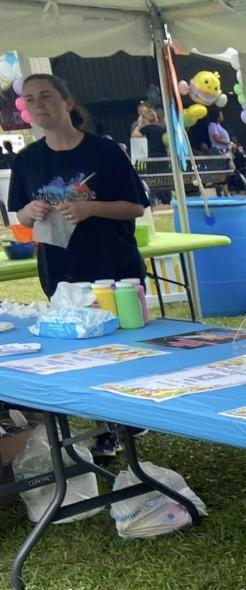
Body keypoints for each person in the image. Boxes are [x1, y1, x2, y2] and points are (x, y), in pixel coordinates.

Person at [8, 74, 150, 462]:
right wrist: (29, 212)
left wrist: (91, 208)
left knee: (122, 348)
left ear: (68, 102)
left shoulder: (105, 153)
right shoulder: (27, 160)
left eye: (47, 97)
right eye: (31, 99)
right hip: (60, 269)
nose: (39, 106)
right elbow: (17, 214)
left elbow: (136, 206)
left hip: (112, 266)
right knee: (80, 354)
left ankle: (131, 414)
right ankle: (104, 427)